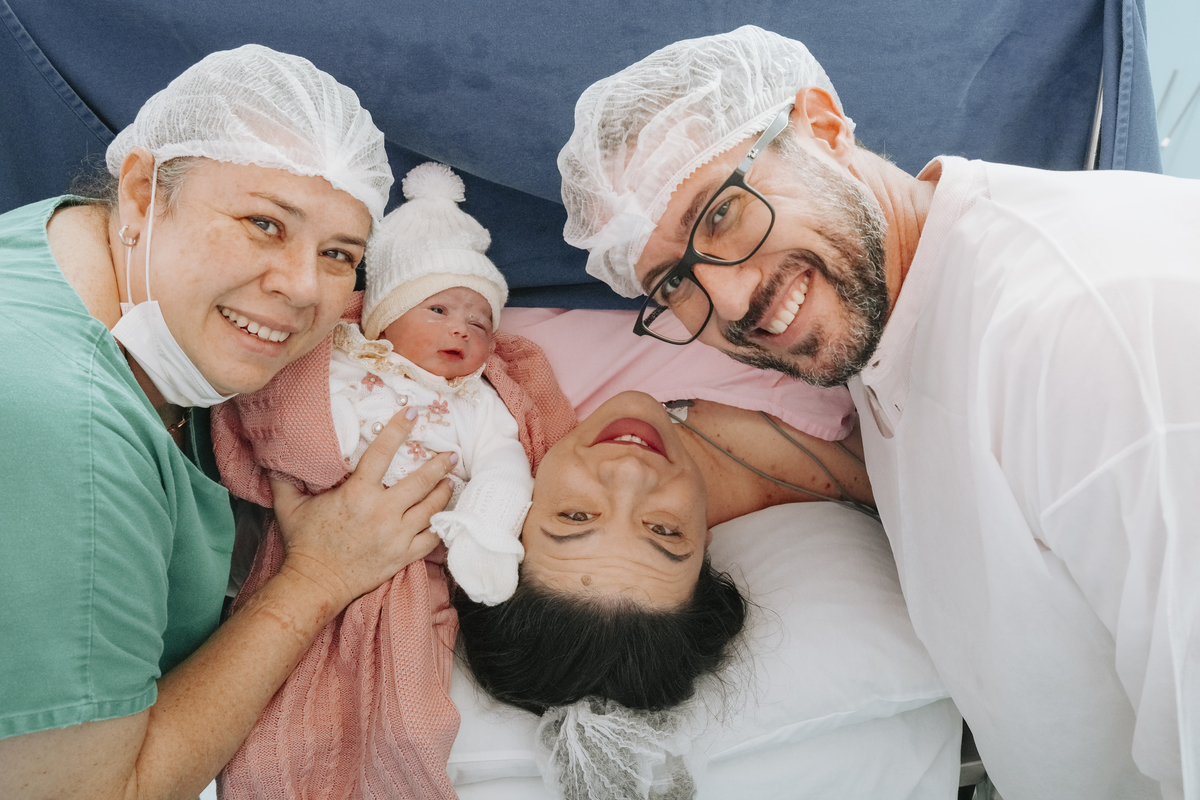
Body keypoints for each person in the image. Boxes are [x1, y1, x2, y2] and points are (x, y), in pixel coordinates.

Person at [554, 24, 1200, 800]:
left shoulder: (1091, 333)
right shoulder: (891, 322)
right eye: (672, 283)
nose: (728, 301)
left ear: (823, 126)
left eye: (721, 213)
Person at [0, 45, 456, 800]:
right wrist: (317, 578)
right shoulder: (66, 437)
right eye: (264, 223)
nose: (303, 288)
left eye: (339, 254)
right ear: (142, 194)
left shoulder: (71, 238)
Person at [454, 307, 875, 797]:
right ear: (703, 551)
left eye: (576, 516)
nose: (631, 472)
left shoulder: (494, 385)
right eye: (662, 530)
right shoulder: (875, 472)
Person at [334, 161, 531, 605]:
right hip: (332, 514)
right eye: (438, 311)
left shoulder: (475, 400)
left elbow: (503, 462)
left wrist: (486, 530)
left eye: (479, 324)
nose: (461, 329)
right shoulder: (346, 358)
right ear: (385, 320)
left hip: (423, 544)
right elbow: (299, 406)